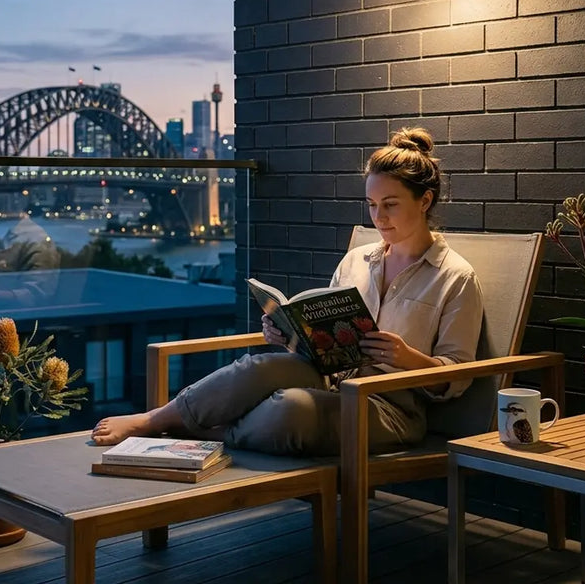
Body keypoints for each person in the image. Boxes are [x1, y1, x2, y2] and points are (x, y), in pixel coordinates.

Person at [92, 128, 484, 456]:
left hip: (390, 408)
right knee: (261, 365)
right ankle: (154, 420)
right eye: (372, 205)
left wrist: (406, 357)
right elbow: (326, 333)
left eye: (390, 205)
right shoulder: (358, 260)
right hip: (330, 382)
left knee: (289, 409)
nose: (378, 217)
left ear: (425, 200)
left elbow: (458, 378)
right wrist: (291, 333)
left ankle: (195, 435)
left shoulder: (454, 277)